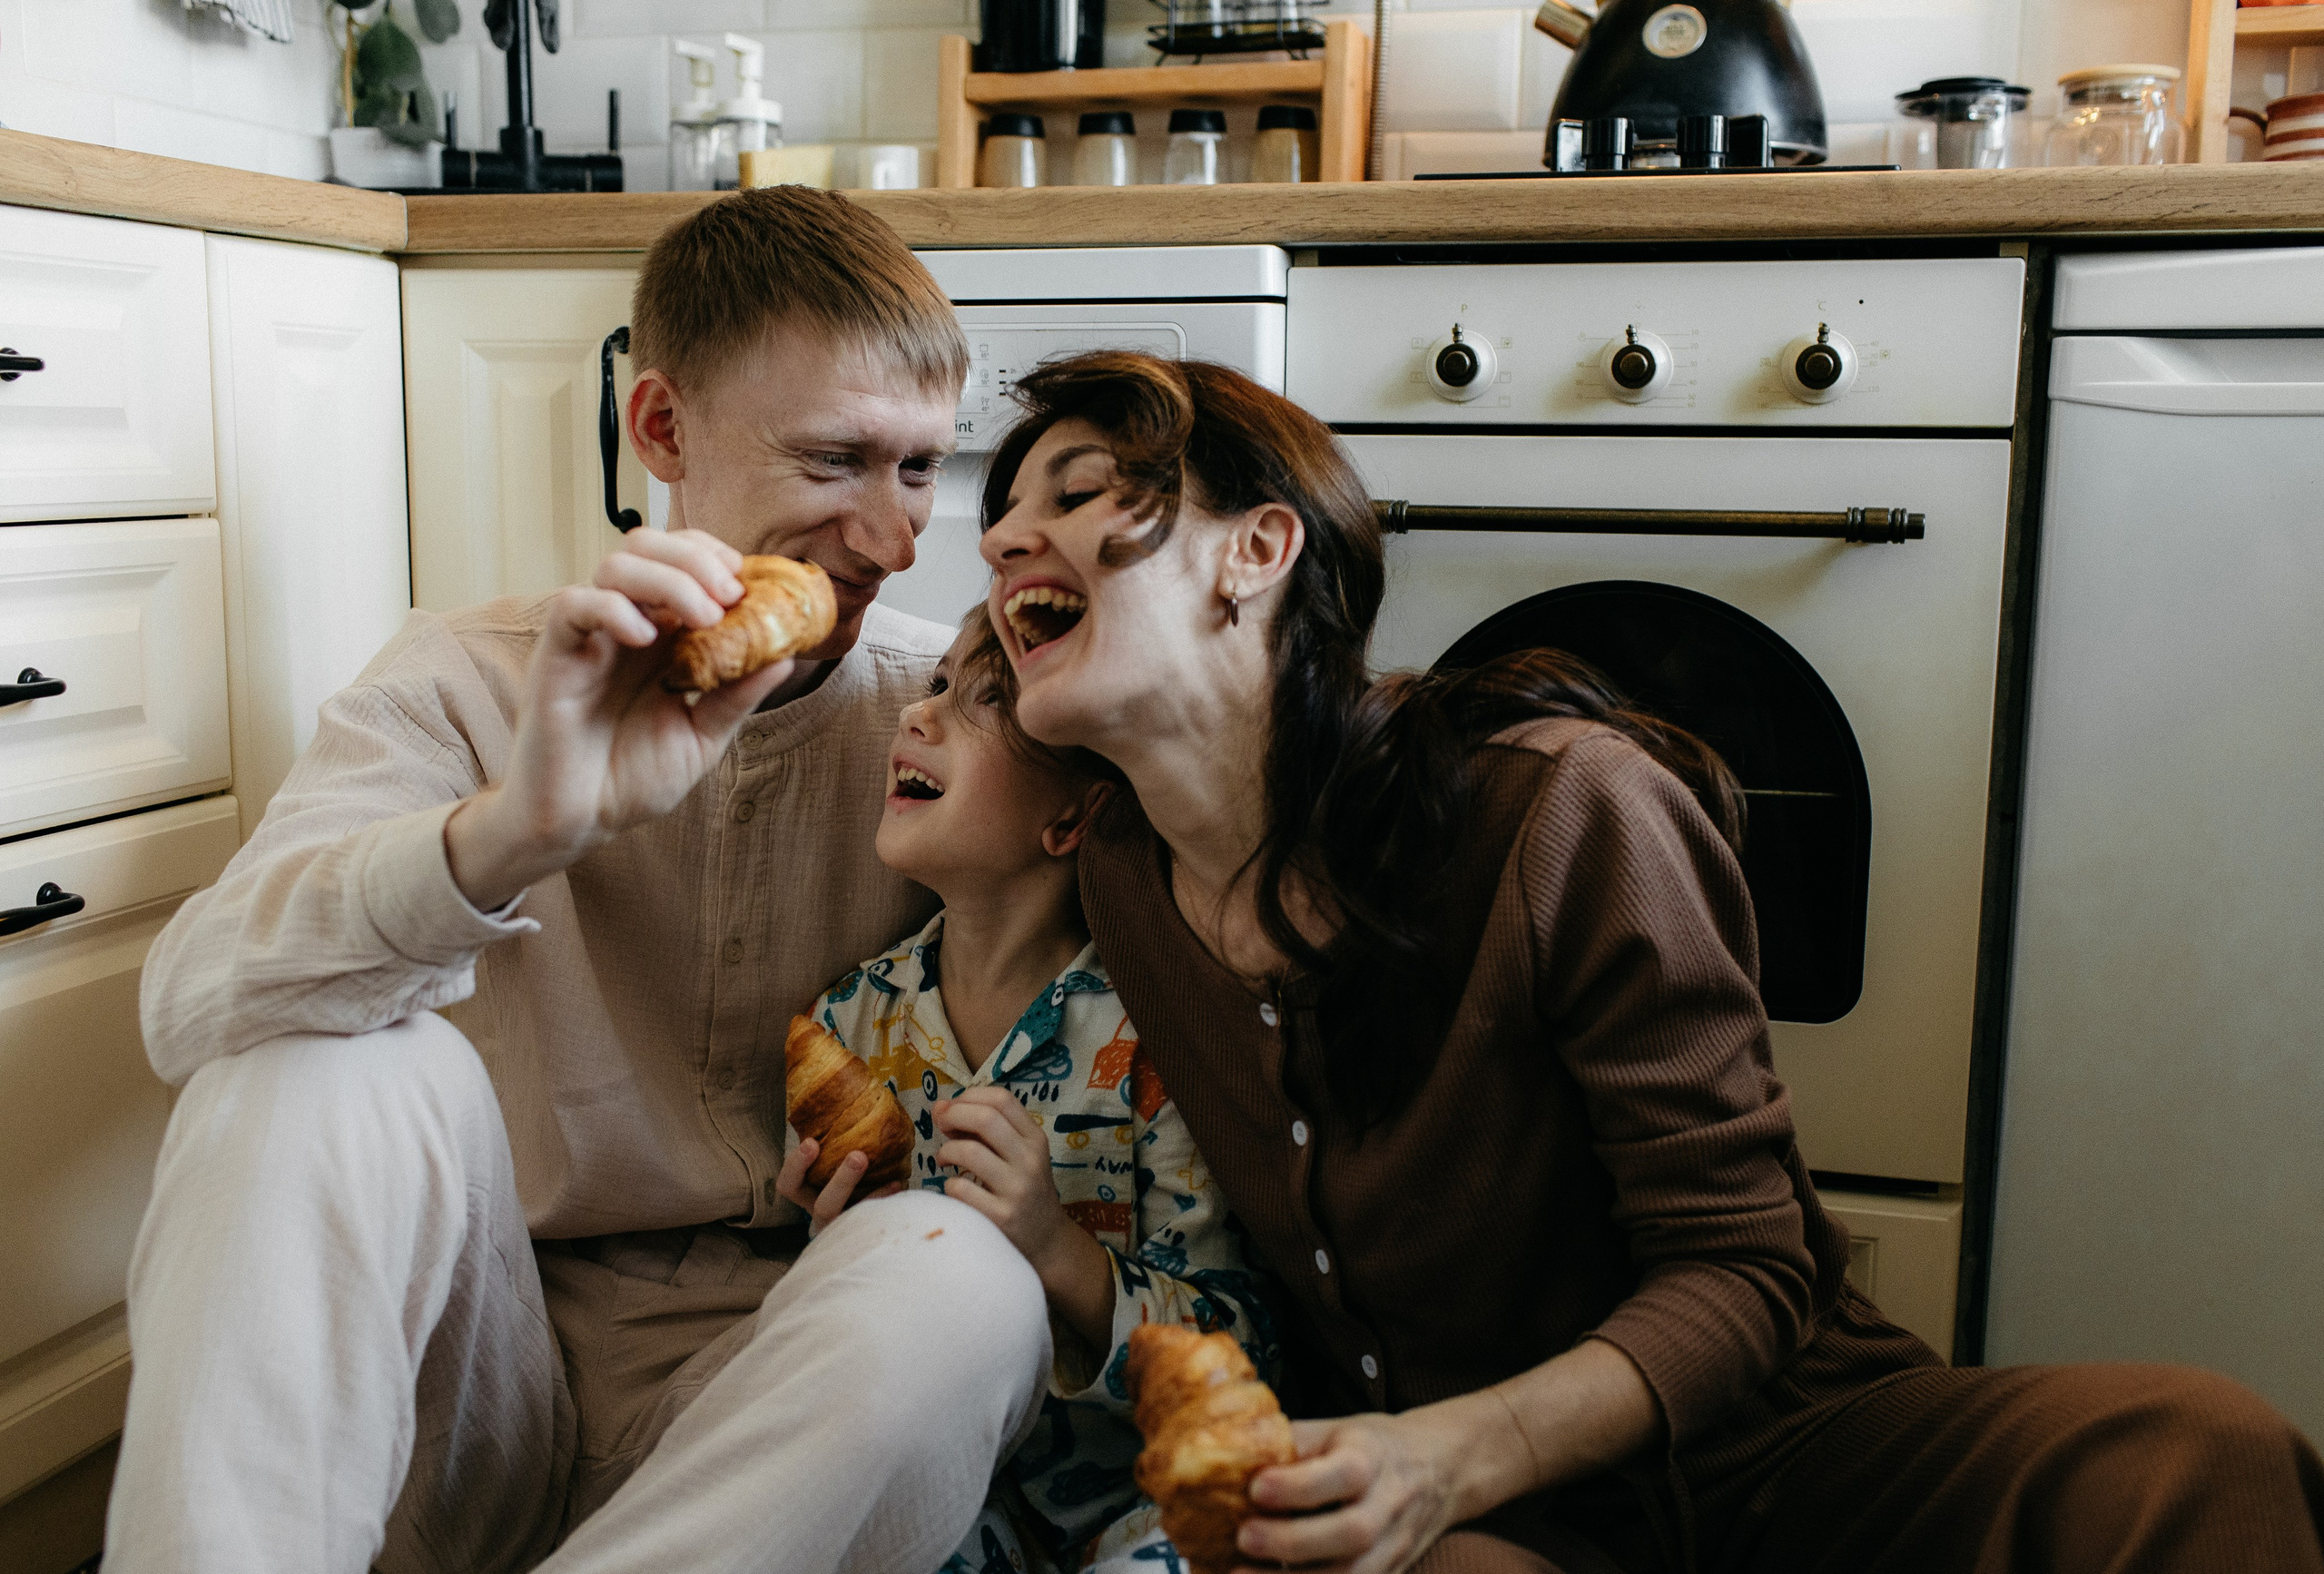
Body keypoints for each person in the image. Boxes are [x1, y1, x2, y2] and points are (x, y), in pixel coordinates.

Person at [973, 349, 2324, 1574]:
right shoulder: (1119, 877)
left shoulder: (1559, 807)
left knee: (2200, 1447)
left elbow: (1747, 1269)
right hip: (1484, 1526)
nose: (1008, 537)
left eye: (1082, 491)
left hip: (1787, 1466)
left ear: (1258, 548)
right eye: (1001, 517)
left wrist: (1448, 1455)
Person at [110, 188, 1059, 1574]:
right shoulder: (468, 681)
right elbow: (189, 1007)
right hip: (471, 1385)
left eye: (920, 469)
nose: (891, 538)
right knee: (306, 1067)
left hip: (784, 1422)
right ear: (663, 429)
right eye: (836, 459)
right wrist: (520, 827)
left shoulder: (950, 720)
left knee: (967, 1275)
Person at [781, 610, 1275, 1574]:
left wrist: (1057, 1249)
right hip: (952, 1496)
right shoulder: (847, 1026)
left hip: (1151, 1503)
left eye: (982, 704)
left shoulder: (1155, 1041)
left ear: (1070, 820)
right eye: (932, 687)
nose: (916, 717)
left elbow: (1241, 1357)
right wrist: (830, 1245)